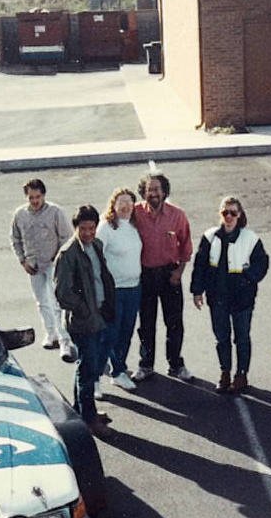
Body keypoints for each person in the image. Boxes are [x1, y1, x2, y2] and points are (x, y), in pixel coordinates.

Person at [191, 196, 269, 393]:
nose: (229, 216)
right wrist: (196, 291)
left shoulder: (250, 238)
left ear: (240, 215)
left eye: (233, 212)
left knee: (242, 337)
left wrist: (248, 278)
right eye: (225, 212)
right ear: (220, 214)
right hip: (217, 297)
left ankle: (241, 374)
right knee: (221, 338)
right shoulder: (210, 237)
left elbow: (262, 262)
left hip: (242, 298)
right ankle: (224, 373)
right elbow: (200, 265)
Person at [54, 205, 117, 440]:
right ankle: (90, 420)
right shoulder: (68, 254)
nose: (88, 233)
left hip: (100, 315)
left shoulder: (97, 246)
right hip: (83, 321)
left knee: (87, 365)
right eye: (83, 229)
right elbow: (62, 294)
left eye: (92, 228)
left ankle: (80, 411)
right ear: (75, 228)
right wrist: (85, 309)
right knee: (88, 368)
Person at [132, 171, 194, 382]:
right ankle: (146, 365)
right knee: (146, 323)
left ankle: (176, 364)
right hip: (145, 275)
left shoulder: (178, 215)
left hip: (170, 275)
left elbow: (186, 246)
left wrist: (179, 272)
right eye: (149, 189)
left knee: (174, 322)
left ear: (165, 191)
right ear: (143, 193)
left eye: (157, 189)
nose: (154, 193)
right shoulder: (135, 213)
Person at [10, 178, 76, 363]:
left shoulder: (55, 212)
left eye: (38, 196)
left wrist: (58, 261)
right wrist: (22, 261)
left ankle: (65, 341)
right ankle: (51, 334)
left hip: (54, 265)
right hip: (33, 266)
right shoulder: (20, 214)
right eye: (31, 197)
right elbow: (15, 239)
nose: (35, 201)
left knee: (57, 304)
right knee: (41, 302)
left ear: (44, 195)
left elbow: (66, 237)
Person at [95, 188, 142, 396]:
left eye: (129, 202)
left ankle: (118, 373)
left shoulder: (134, 226)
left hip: (133, 288)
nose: (126, 206)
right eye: (121, 202)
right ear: (113, 205)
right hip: (113, 291)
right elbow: (95, 256)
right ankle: (94, 378)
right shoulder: (106, 228)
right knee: (109, 336)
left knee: (126, 333)